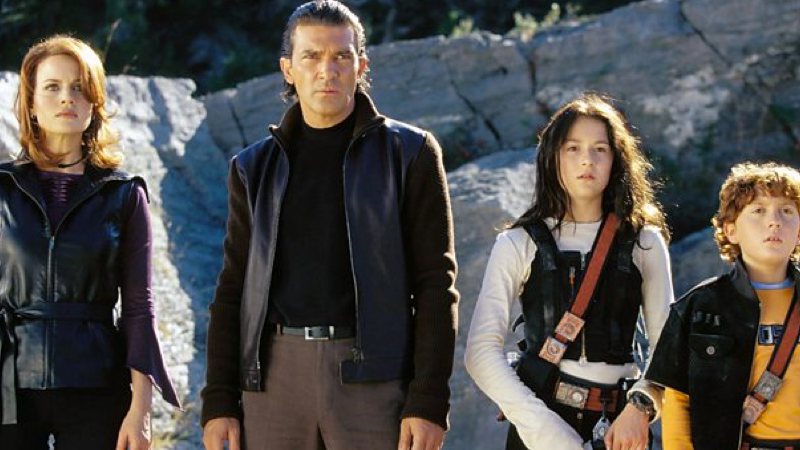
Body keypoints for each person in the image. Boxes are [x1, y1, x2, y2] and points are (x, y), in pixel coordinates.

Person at [200, 2, 459, 450]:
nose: (327, 70)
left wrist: (429, 400)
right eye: (312, 56)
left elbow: (437, 284)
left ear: (361, 66)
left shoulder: (411, 154)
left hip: (374, 379)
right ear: (288, 68)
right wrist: (219, 399)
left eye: (341, 56)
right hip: (273, 383)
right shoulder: (253, 167)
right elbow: (232, 288)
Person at [0, 35, 180, 450]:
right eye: (53, 87)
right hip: (10, 387)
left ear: (95, 102)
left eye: (79, 87)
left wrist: (141, 409)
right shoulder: (3, 188)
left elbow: (139, 308)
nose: (67, 97)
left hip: (96, 387)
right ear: (31, 103)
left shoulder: (123, 194)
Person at [465, 94, 673, 450]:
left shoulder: (645, 242)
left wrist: (641, 407)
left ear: (616, 159)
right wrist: (541, 428)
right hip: (540, 426)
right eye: (572, 148)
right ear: (552, 156)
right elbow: (481, 351)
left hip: (622, 430)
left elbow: (668, 346)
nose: (587, 160)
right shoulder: (518, 242)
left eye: (600, 149)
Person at [647, 162, 800, 450]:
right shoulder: (699, 306)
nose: (775, 221)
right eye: (758, 210)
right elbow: (678, 400)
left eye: (787, 211)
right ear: (731, 231)